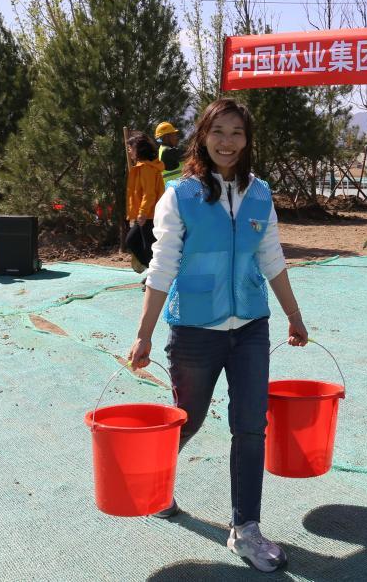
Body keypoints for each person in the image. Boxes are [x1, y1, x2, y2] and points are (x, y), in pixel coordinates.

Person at [127, 98, 309, 572]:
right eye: (218, 132)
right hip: (194, 330)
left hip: (250, 326)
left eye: (237, 133)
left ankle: (245, 529)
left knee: (250, 425)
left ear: (247, 141)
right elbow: (161, 267)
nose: (227, 142)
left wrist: (293, 315)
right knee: (187, 419)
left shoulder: (260, 193)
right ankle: (155, 482)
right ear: (202, 137)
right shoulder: (180, 196)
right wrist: (144, 335)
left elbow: (271, 257)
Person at [125, 134, 165, 272]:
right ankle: (154, 272)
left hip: (149, 214)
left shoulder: (146, 168)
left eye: (130, 148)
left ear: (138, 149)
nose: (129, 151)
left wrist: (142, 213)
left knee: (149, 247)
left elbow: (149, 194)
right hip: (145, 214)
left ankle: (158, 274)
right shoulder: (142, 167)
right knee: (133, 241)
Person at [155, 121, 184, 185]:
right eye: (173, 135)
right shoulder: (167, 151)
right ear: (166, 137)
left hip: (172, 187)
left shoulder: (162, 149)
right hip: (175, 187)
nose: (176, 138)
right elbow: (189, 153)